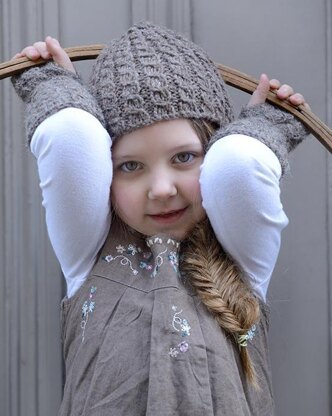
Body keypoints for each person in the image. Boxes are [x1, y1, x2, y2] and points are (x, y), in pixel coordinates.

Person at [12, 22, 310, 415]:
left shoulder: (241, 257)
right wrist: (58, 87)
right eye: (130, 166)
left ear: (214, 152)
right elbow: (70, 136)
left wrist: (261, 129)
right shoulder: (87, 253)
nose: (162, 188)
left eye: (184, 157)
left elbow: (240, 164)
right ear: (104, 171)